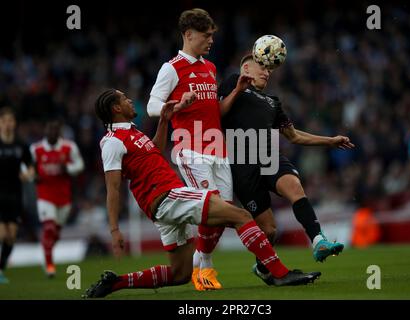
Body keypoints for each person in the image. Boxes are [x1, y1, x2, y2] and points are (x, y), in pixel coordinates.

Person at [83, 89, 321, 298]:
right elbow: (112, 188)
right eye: (124, 99)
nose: (130, 100)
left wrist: (164, 121)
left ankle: (116, 283)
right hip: (168, 197)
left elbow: (153, 150)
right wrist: (114, 230)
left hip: (163, 205)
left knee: (180, 274)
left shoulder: (131, 134)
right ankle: (279, 273)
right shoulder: (112, 142)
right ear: (116, 108)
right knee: (241, 216)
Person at [218, 54, 354, 284]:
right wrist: (238, 90)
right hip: (242, 166)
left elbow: (294, 135)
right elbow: (217, 115)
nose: (267, 72)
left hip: (269, 157)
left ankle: (318, 240)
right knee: (269, 230)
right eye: (261, 67)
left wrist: (329, 140)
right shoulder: (233, 82)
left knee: (294, 185)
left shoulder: (273, 102)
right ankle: (264, 267)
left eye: (269, 69)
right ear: (246, 68)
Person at [147, 8, 252, 291]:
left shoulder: (210, 67)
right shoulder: (171, 68)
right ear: (188, 34)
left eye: (212, 36)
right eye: (206, 36)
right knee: (212, 207)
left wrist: (237, 91)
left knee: (224, 210)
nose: (211, 41)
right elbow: (151, 105)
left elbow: (213, 109)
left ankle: (199, 260)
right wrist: (175, 106)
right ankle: (204, 271)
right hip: (190, 148)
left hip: (217, 148)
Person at [30, 118, 85, 277]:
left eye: (55, 131)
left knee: (56, 234)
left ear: (59, 133)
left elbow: (80, 165)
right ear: (45, 133)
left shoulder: (69, 147)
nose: (52, 134)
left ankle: (46, 252)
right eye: (49, 131)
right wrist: (33, 176)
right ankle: (49, 266)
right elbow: (27, 167)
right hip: (45, 195)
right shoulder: (36, 149)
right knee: (49, 228)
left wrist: (67, 168)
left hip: (64, 197)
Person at [0, 107, 34, 284]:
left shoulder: (21, 145)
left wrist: (28, 174)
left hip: (14, 194)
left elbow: (30, 165)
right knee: (1, 234)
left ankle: (1, 267)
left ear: (14, 123)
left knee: (11, 236)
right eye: (4, 121)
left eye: (10, 121)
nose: (8, 124)